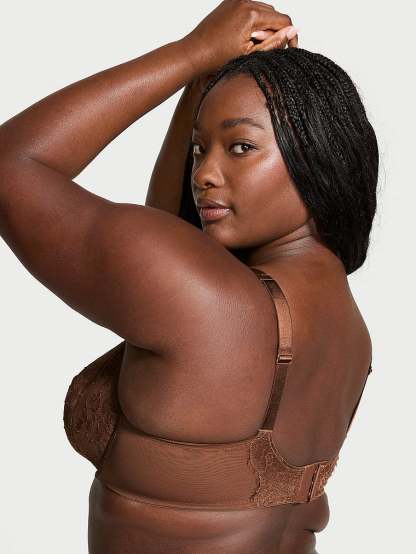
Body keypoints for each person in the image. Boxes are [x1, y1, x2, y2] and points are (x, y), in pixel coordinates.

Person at [0, 1, 377, 552]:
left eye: (241, 146)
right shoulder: (340, 318)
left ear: (318, 154)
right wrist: (203, 82)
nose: (203, 173)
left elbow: (10, 168)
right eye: (200, 149)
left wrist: (192, 52)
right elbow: (171, 237)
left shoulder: (210, 300)